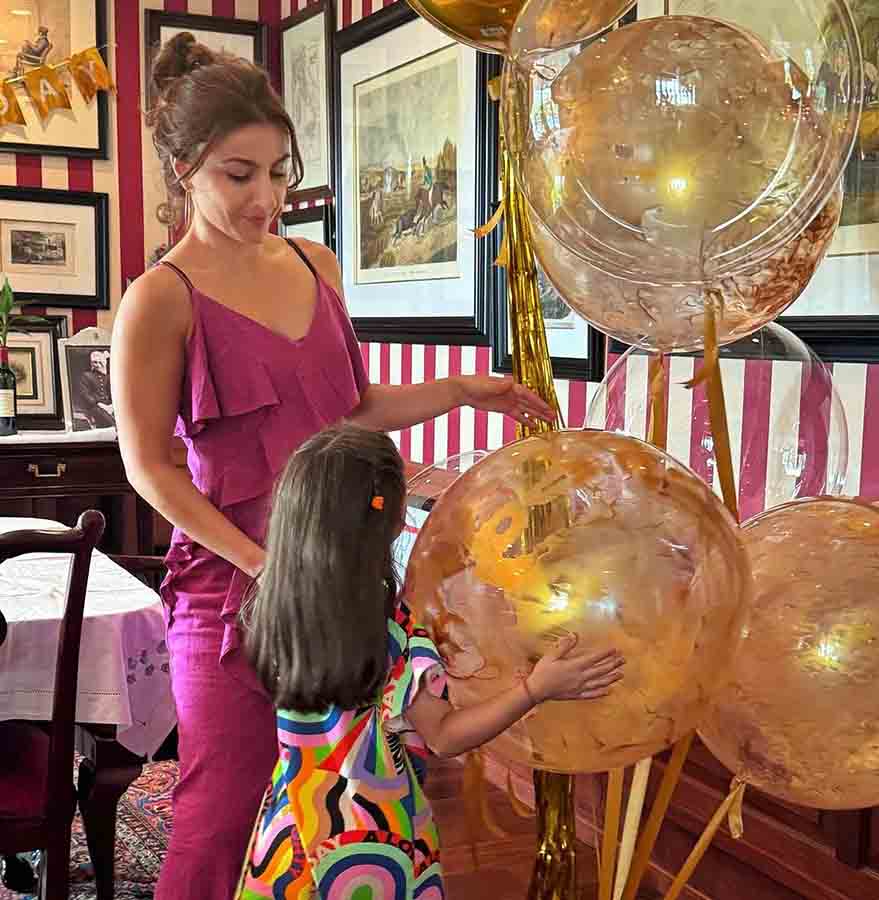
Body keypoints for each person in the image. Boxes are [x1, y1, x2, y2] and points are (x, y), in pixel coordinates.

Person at [110, 32, 555, 900]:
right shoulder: (159, 298)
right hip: (234, 587)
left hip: (346, 575)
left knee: (355, 798)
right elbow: (149, 467)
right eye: (239, 175)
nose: (265, 197)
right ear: (182, 167)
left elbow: (349, 410)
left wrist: (463, 388)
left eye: (279, 172)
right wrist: (267, 565)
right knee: (224, 806)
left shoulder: (317, 264)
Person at [235, 425, 626, 898]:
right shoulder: (391, 635)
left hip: (293, 835)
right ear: (395, 522)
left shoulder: (274, 608)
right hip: (374, 844)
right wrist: (535, 688)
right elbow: (444, 735)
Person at [77, 349, 115, 429]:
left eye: (100, 362)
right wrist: (100, 405)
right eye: (95, 363)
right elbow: (85, 394)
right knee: (109, 421)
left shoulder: (109, 376)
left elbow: (114, 392)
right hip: (94, 406)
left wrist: (112, 406)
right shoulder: (86, 376)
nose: (97, 365)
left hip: (110, 405)